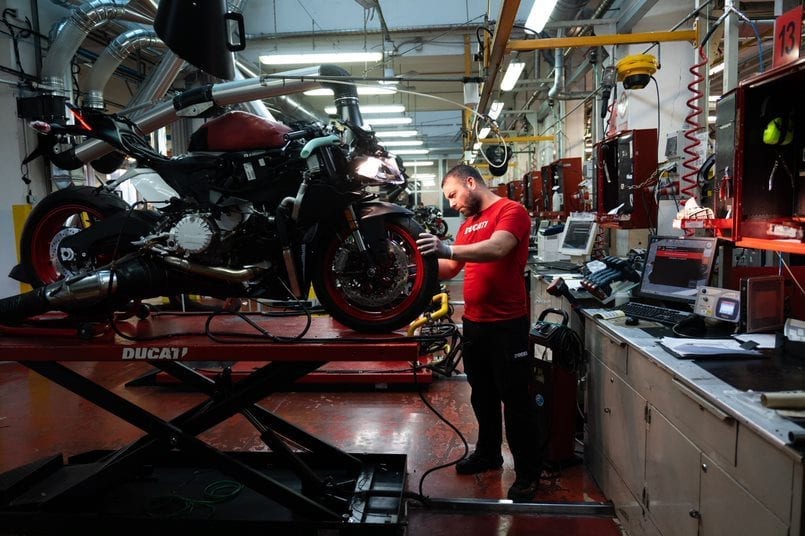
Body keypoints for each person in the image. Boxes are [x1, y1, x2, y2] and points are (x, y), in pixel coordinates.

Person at [416, 164, 545, 502]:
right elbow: (451, 267)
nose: (454, 204)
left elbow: (498, 248)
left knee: (516, 401)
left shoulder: (510, 211)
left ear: (470, 183)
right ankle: (488, 453)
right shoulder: (468, 225)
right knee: (482, 396)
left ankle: (529, 473)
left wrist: (448, 249)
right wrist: (418, 263)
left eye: (454, 195)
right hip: (474, 323)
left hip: (507, 325)